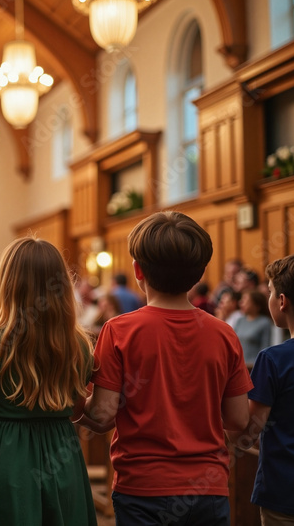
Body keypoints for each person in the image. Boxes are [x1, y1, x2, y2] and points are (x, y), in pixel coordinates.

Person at [86, 211, 252, 524]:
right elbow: (239, 419)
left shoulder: (118, 330)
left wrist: (72, 403)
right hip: (208, 487)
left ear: (137, 270)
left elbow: (101, 415)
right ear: (200, 273)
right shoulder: (224, 333)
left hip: (142, 488)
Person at [0, 238, 97, 526]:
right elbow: (75, 412)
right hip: (61, 452)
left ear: (8, 285)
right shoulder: (77, 345)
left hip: (5, 454)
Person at [239, 253, 294, 525]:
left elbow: (248, 432)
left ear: (282, 301)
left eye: (269, 292)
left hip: (285, 491)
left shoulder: (273, 359)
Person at [234, 291, 273, 366]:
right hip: (238, 366)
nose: (241, 303)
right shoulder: (240, 320)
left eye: (246, 301)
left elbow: (265, 348)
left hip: (254, 366)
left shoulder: (265, 322)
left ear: (256, 305)